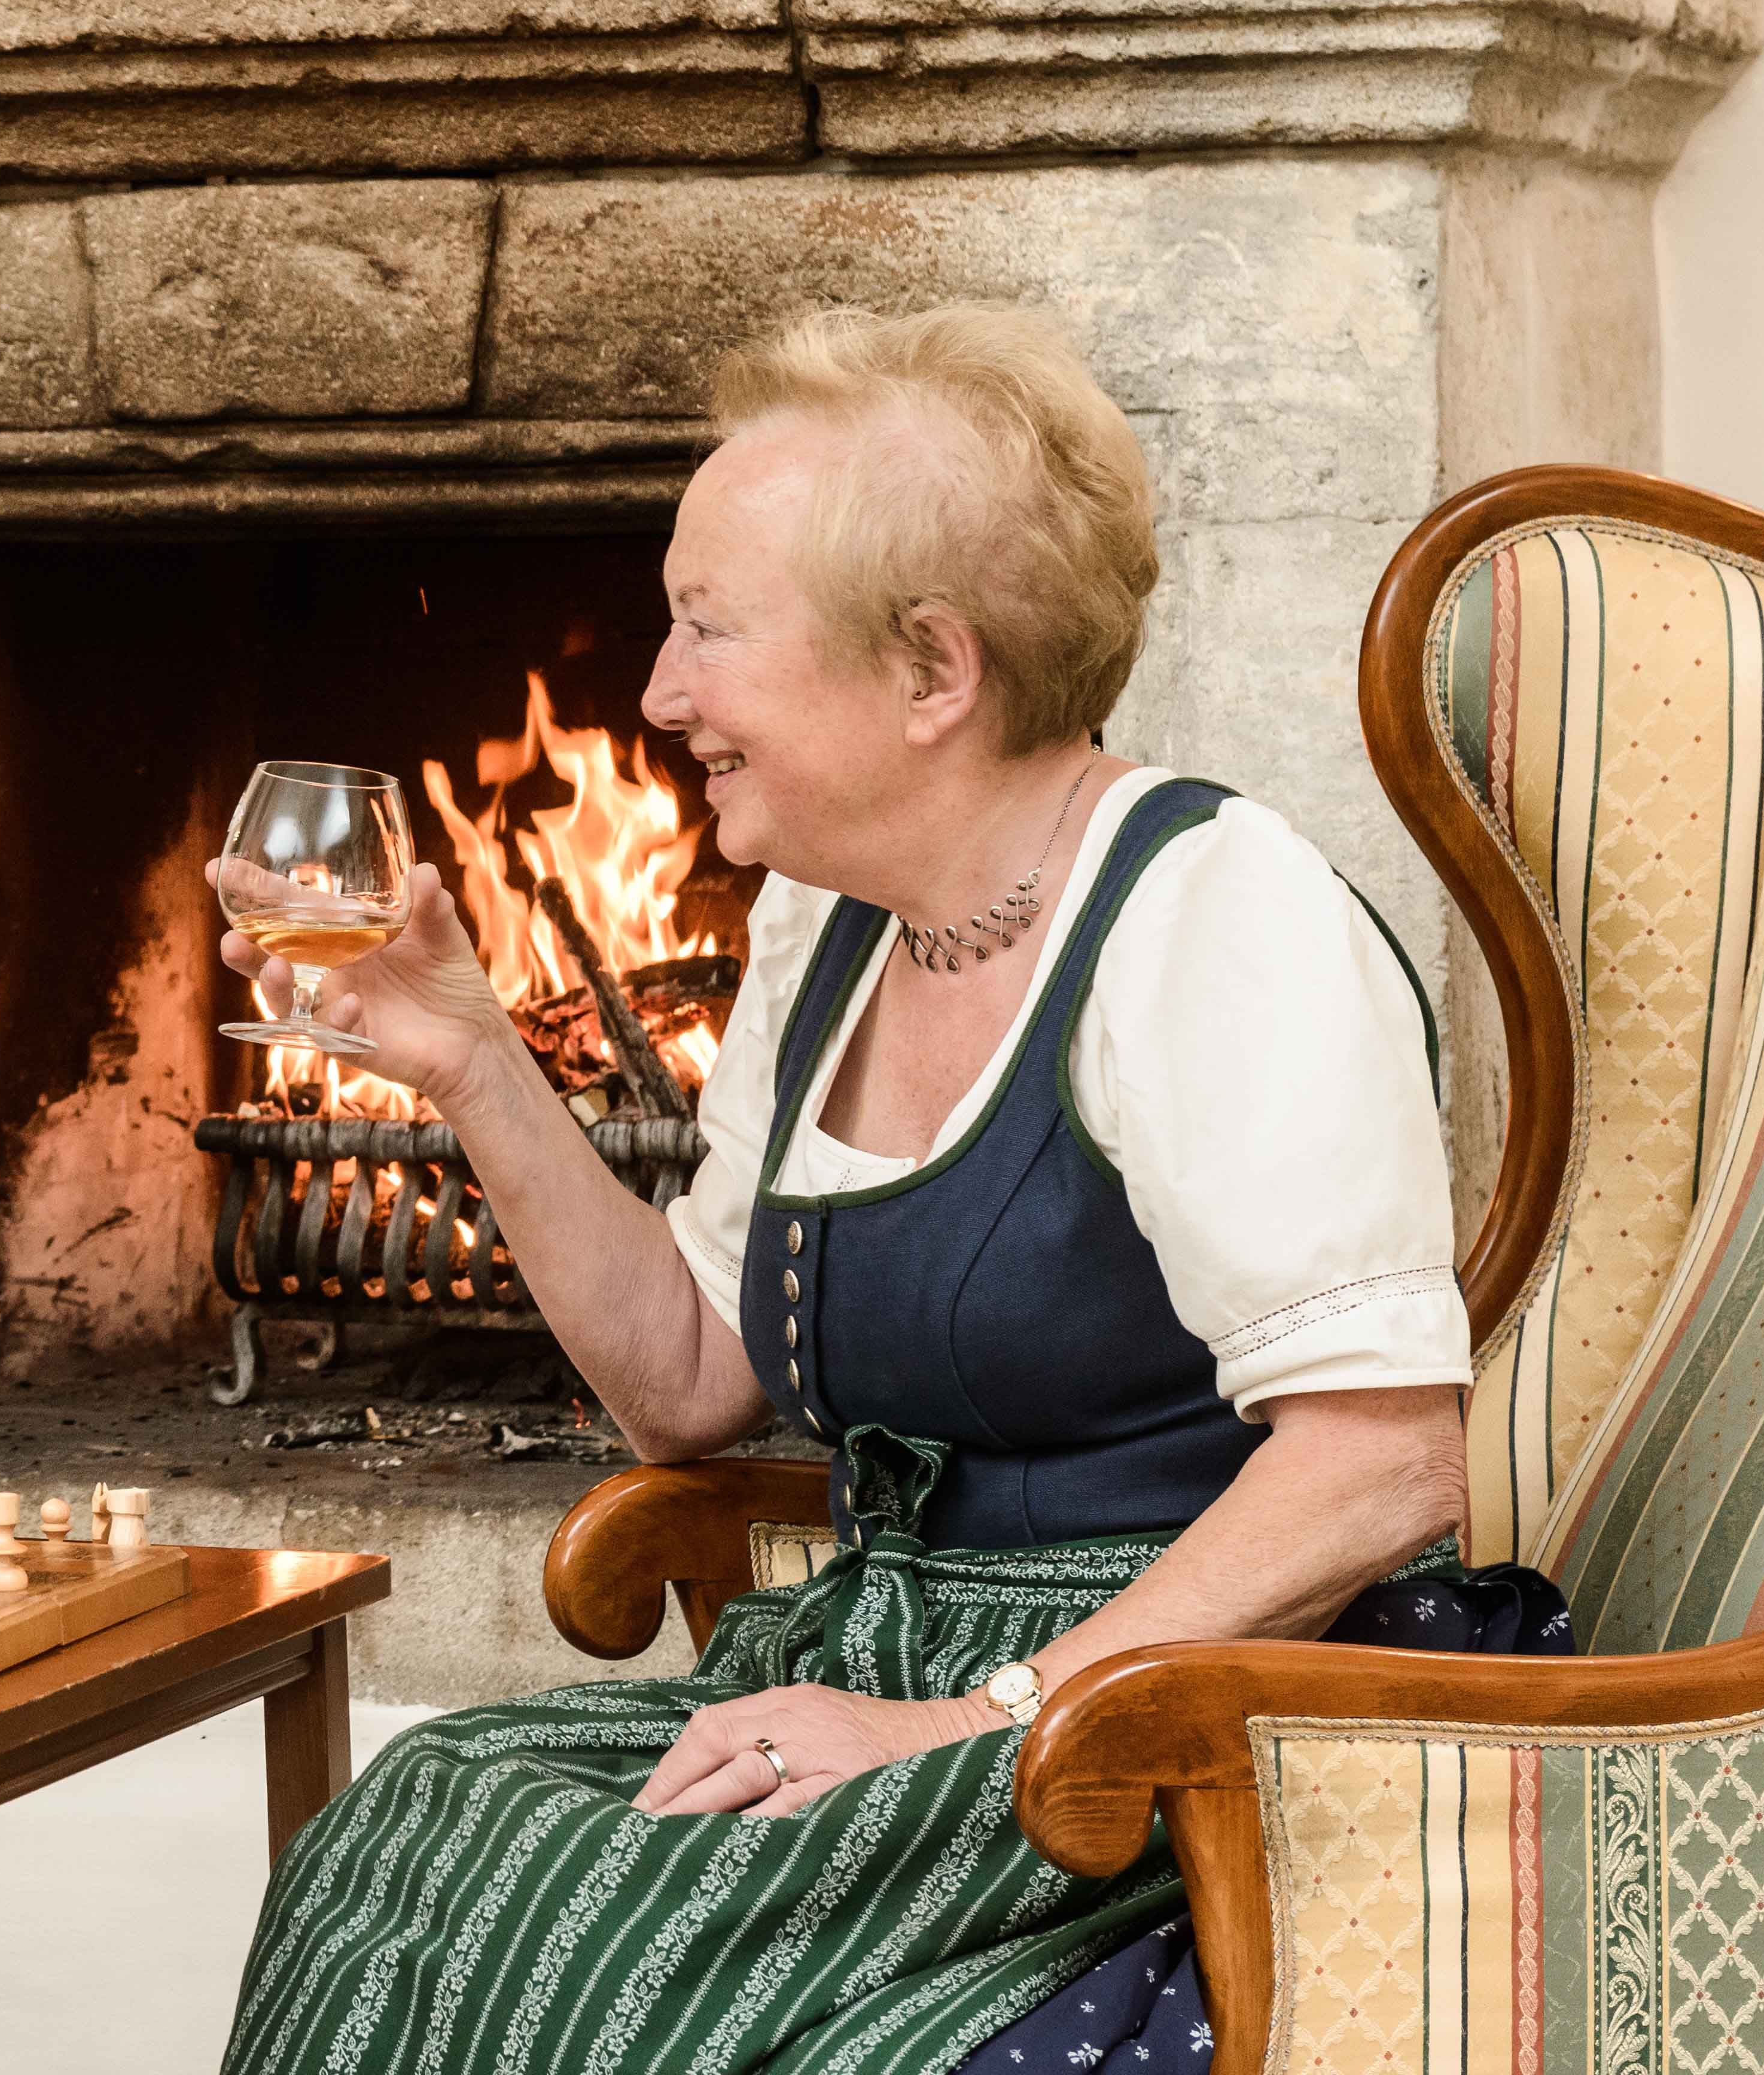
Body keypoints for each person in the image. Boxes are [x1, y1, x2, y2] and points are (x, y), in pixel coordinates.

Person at [215, 305, 1488, 2075]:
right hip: (890, 1657)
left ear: (931, 671)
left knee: (614, 1949)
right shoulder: (830, 922)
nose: (660, 694)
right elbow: (687, 1383)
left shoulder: (1217, 917)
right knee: (419, 1820)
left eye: (709, 626)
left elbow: (1385, 1464)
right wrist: (471, 1060)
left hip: (1177, 1711)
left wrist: (970, 1725)